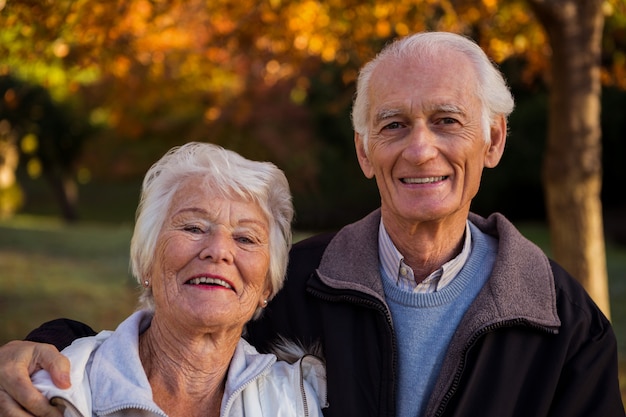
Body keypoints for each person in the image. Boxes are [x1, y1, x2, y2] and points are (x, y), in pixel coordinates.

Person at [0, 31, 623, 417]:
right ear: (363, 150)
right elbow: (174, 337)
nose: (420, 150)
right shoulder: (295, 281)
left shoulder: (565, 323)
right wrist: (46, 346)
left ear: (494, 139)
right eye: (394, 124)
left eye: (448, 121)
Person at [0, 142, 327, 417]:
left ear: (267, 287)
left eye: (245, 238)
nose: (219, 251)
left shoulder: (299, 400)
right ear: (146, 262)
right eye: (193, 228)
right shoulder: (55, 390)